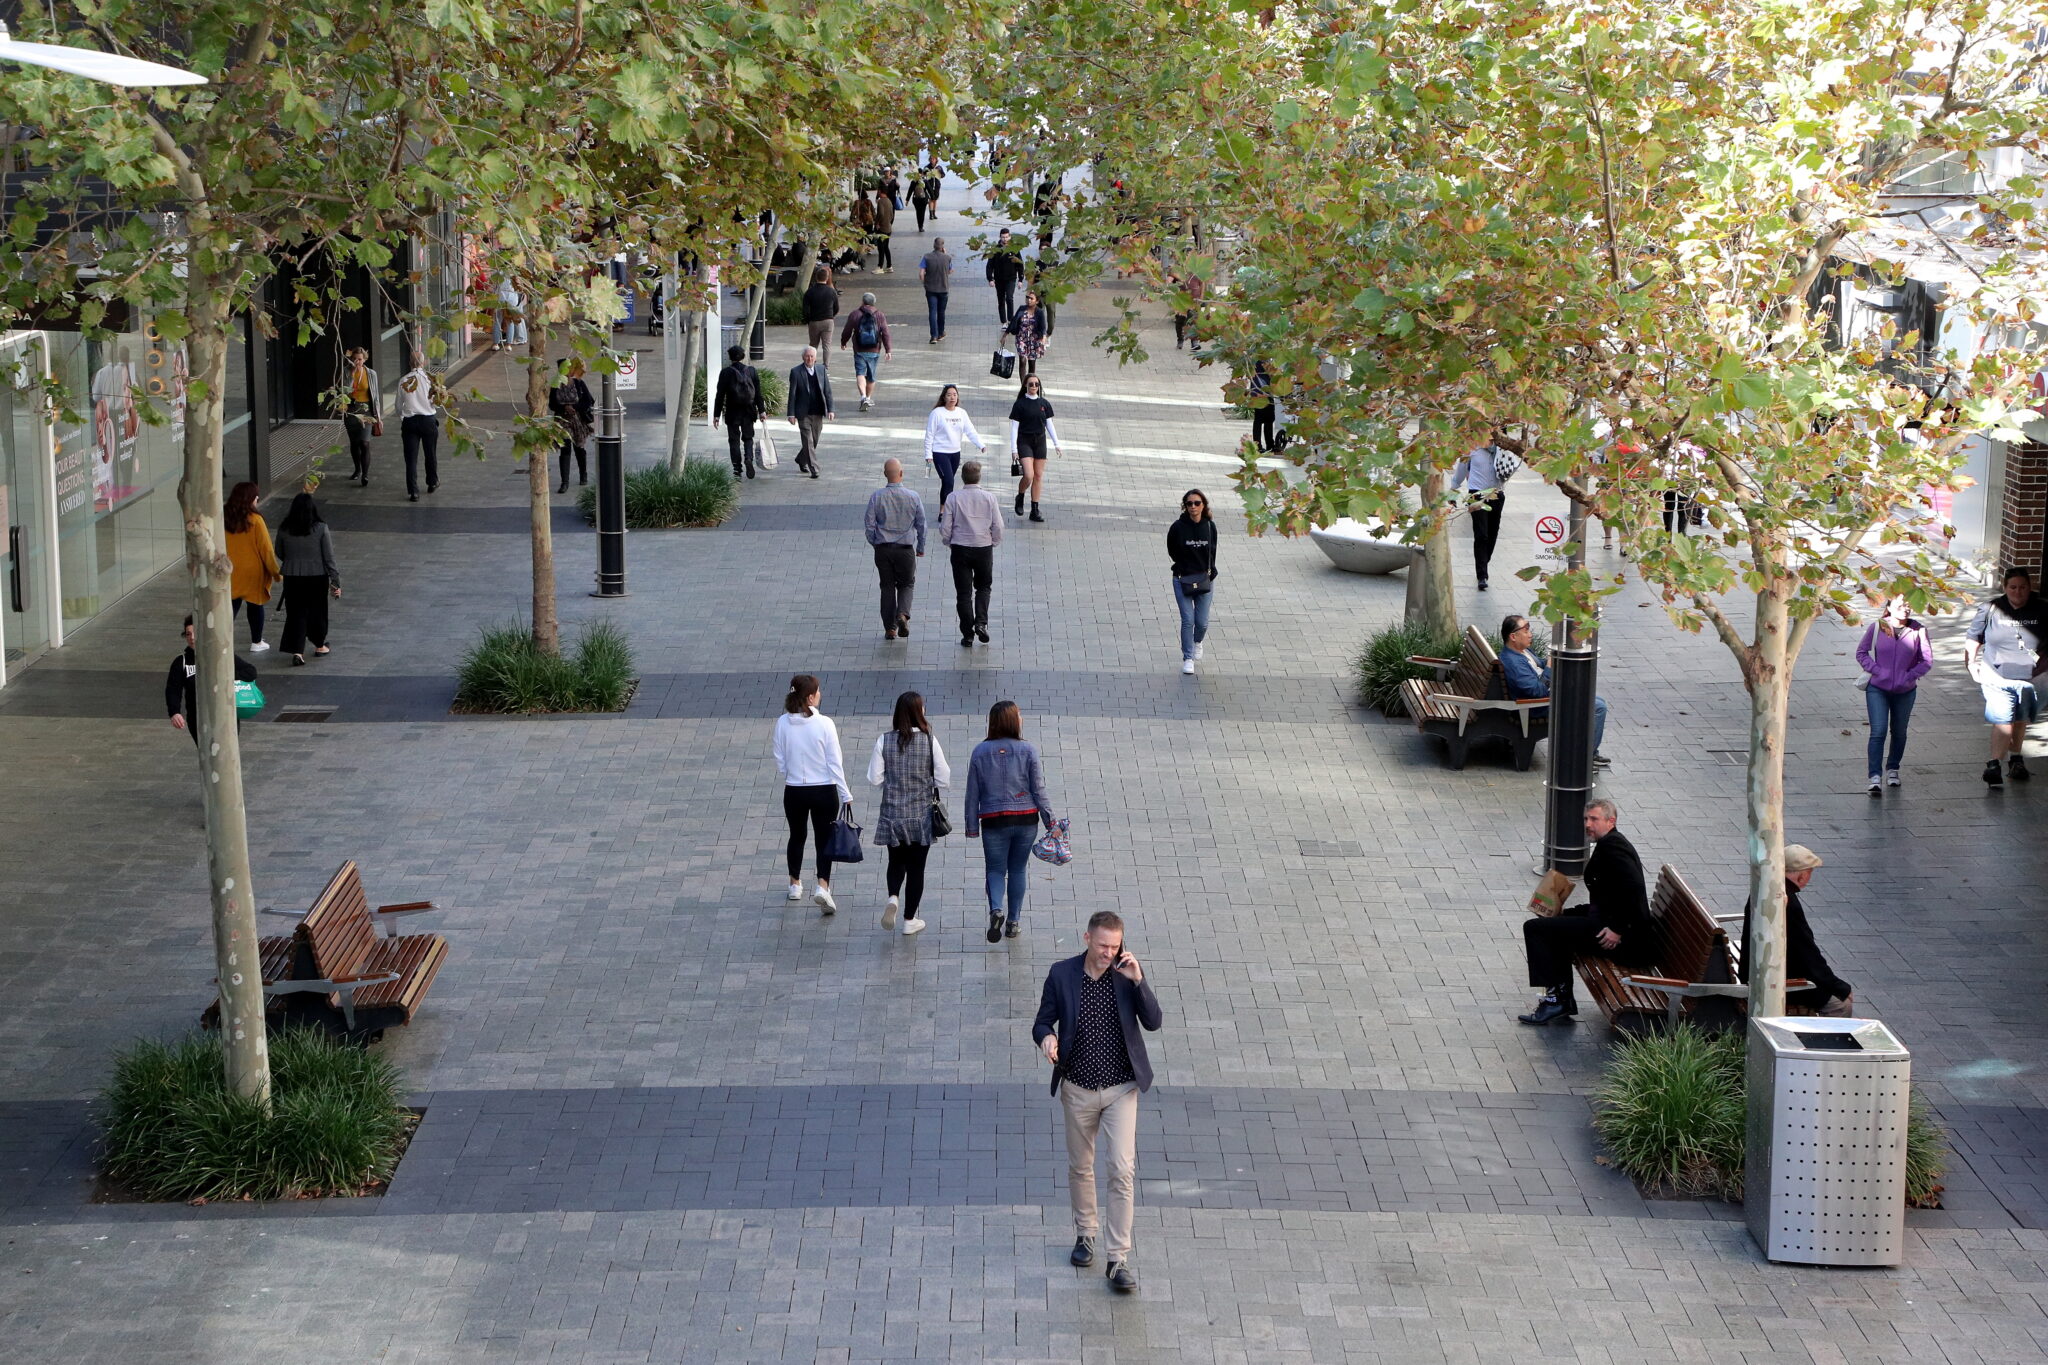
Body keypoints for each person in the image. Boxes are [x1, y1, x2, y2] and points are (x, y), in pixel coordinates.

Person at [1032, 910, 1162, 1295]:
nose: (1109, 953)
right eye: (1103, 945)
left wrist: (1138, 980)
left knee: (1122, 1169)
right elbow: (1042, 1022)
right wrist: (1047, 1039)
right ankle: (1086, 1233)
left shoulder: (1126, 974)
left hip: (1122, 1088)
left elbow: (1154, 1021)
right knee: (1081, 1166)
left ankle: (1118, 1258)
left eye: (1115, 946)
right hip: (1078, 1088)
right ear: (1087, 938)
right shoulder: (1062, 974)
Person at [1517, 798, 1650, 1024]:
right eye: (1586, 819)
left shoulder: (1615, 848)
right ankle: (1560, 1000)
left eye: (1594, 819)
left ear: (1611, 821)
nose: (1588, 824)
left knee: (1536, 929)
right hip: (1608, 923)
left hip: (1624, 941)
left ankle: (1556, 1001)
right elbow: (1607, 900)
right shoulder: (1609, 844)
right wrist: (1569, 913)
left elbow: (1634, 890)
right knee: (1555, 927)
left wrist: (1617, 929)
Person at [965, 700, 1057, 941]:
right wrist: (1051, 822)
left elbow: (972, 792)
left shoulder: (979, 752)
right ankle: (1013, 921)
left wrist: (972, 826)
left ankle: (996, 909)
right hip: (1026, 819)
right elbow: (1039, 789)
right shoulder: (1028, 750)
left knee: (995, 870)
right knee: (1018, 869)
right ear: (1013, 721)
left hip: (993, 821)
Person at [869, 691, 951, 938]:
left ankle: (893, 896)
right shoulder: (929, 740)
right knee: (917, 868)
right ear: (919, 712)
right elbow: (943, 777)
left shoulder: (884, 740)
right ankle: (909, 919)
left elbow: (875, 778)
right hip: (920, 815)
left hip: (892, 814)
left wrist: (893, 782)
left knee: (895, 861)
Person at [1739, 845, 1854, 1017]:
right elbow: (1807, 953)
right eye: (1810, 872)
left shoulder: (1767, 887)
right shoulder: (1787, 902)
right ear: (1801, 875)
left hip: (1755, 967)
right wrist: (1838, 986)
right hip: (1771, 979)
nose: (1809, 878)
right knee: (1841, 1005)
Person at [772, 674, 851, 914]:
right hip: (824, 790)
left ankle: (794, 884)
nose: (820, 694)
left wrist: (790, 773)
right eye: (817, 691)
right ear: (809, 697)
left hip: (794, 789)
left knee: (797, 836)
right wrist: (845, 792)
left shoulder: (782, 723)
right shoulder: (825, 724)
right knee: (823, 839)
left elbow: (779, 758)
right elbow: (834, 762)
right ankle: (822, 886)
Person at [1964, 566, 2045, 786]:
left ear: (2030, 587)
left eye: (2023, 587)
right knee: (2003, 718)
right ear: (2005, 587)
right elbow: (1973, 638)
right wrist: (1971, 663)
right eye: (2013, 587)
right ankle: (1994, 765)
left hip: (2032, 678)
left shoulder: (2042, 609)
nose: (2018, 592)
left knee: (2021, 718)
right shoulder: (1991, 609)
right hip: (1996, 675)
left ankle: (2016, 758)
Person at [1499, 615, 1611, 767]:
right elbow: (1537, 691)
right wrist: (1550, 667)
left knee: (1597, 701)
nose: (1530, 634)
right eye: (1526, 630)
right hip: (1538, 706)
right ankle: (1586, 758)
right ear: (1513, 636)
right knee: (1598, 707)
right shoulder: (1514, 663)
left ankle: (1587, 752)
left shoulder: (1521, 652)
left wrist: (1553, 659)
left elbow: (1538, 666)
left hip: (1546, 697)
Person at [1857, 597, 1933, 794]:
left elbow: (1926, 661)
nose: (1905, 609)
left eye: (1908, 605)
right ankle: (1874, 776)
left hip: (1905, 690)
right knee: (1878, 731)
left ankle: (1893, 769)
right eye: (1900, 605)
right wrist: (1877, 671)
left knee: (1899, 731)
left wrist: (1909, 676)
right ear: (1889, 607)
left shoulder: (1918, 630)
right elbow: (1861, 652)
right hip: (1877, 688)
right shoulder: (1877, 627)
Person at [165, 614, 257, 744]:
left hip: (225, 715)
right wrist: (174, 712)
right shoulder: (181, 662)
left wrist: (223, 676)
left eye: (195, 633)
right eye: (188, 634)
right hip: (198, 717)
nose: (192, 638)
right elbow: (173, 689)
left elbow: (251, 672)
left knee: (225, 750)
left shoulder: (221, 654)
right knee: (206, 750)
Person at [272, 493, 341, 666]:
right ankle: (319, 645)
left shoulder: (284, 528)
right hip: (317, 577)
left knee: (295, 613)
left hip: (292, 577)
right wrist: (335, 580)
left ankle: (297, 651)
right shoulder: (321, 528)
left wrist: (292, 561)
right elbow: (329, 557)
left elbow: (279, 551)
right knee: (318, 611)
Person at [941, 459, 1002, 647]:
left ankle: (967, 634)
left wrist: (949, 542)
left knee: (963, 593)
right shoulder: (989, 498)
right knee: (983, 587)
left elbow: (945, 526)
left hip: (960, 547)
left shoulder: (953, 498)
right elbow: (998, 525)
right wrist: (993, 542)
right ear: (979, 477)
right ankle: (981, 623)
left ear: (962, 477)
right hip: (983, 547)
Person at [865, 458, 926, 640]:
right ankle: (903, 614)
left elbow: (869, 524)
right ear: (901, 473)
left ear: (885, 474)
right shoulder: (913, 497)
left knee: (887, 586)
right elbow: (921, 524)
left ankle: (890, 628)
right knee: (907, 583)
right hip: (905, 549)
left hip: (883, 549)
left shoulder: (876, 496)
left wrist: (876, 543)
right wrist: (920, 546)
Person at [1448, 437, 1512, 591]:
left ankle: (1483, 561)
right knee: (1481, 534)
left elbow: (1513, 466)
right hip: (1477, 495)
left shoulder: (1501, 448)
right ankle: (1482, 575)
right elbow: (1461, 472)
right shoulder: (1471, 448)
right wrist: (1453, 493)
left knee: (1492, 533)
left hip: (1497, 494)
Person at [223, 481, 280, 654]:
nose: (257, 500)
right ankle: (256, 641)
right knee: (255, 606)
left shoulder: (223, 518)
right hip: (253, 572)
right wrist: (276, 573)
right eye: (256, 497)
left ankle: (221, 642)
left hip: (229, 570)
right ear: (250, 499)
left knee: (230, 606)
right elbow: (266, 550)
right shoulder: (255, 520)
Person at [1168, 489, 1218, 675]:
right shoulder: (1177, 527)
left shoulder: (1210, 526)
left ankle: (1198, 641)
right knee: (1188, 620)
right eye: (1189, 503)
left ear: (1203, 505)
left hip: (1205, 579)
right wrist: (1184, 566)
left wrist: (1208, 571)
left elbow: (1212, 551)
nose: (1193, 507)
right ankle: (1188, 658)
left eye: (1197, 503)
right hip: (1183, 578)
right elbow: (1172, 550)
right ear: (1185, 506)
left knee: (1202, 622)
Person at [1008, 374, 1062, 522]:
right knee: (1029, 475)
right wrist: (1014, 450)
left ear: (1039, 386)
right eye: (1031, 384)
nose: (1033, 387)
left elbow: (1049, 425)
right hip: (1024, 441)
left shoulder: (1044, 403)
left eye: (1036, 384)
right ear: (1025, 385)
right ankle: (1020, 496)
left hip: (1040, 441)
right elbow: (1014, 428)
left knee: (1038, 475)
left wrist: (1056, 444)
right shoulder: (1020, 404)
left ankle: (1035, 510)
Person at [924, 383, 988, 505]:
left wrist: (981, 444)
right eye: (949, 395)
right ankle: (944, 510)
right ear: (944, 397)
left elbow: (970, 431)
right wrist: (928, 455)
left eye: (954, 394)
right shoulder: (937, 413)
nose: (952, 397)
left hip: (955, 453)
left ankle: (945, 509)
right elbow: (929, 435)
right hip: (940, 453)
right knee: (948, 481)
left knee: (947, 482)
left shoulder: (961, 413)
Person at [712, 344, 767, 479]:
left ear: (730, 357)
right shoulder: (752, 371)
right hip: (749, 410)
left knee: (734, 440)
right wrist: (762, 411)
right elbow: (758, 393)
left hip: (732, 411)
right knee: (748, 438)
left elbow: (720, 395)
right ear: (743, 356)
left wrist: (716, 415)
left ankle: (737, 468)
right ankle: (748, 458)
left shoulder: (725, 373)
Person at [395, 351, 440, 501]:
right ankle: (432, 482)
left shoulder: (404, 380)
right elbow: (436, 402)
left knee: (411, 458)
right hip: (428, 420)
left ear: (409, 363)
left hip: (410, 422)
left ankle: (413, 491)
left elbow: (398, 406)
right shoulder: (430, 380)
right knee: (430, 453)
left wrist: (403, 417)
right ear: (423, 362)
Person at [785, 345, 835, 478]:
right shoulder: (796, 372)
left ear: (815, 358)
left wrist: (830, 409)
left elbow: (828, 391)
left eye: (812, 356)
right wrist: (791, 414)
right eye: (807, 356)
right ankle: (814, 469)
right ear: (803, 357)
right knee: (808, 441)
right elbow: (792, 394)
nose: (809, 359)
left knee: (814, 440)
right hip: (803, 413)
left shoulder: (821, 369)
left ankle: (801, 459)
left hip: (818, 411)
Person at [839, 292, 892, 412]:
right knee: (871, 376)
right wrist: (888, 350)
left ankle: (863, 397)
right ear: (874, 302)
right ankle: (868, 398)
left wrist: (843, 342)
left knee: (860, 373)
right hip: (874, 349)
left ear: (863, 302)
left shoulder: (855, 314)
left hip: (859, 349)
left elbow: (847, 330)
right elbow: (885, 333)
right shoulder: (880, 315)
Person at [548, 358, 594, 493]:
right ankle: (565, 482)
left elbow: (588, 401)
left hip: (578, 421)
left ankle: (583, 474)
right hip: (562, 421)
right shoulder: (555, 385)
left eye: (569, 367)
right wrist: (564, 408)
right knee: (565, 448)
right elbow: (552, 404)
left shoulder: (579, 383)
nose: (568, 371)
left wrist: (574, 407)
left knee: (579, 448)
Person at [339, 346, 380, 485]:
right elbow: (345, 390)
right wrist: (352, 374)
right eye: (355, 359)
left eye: (360, 359)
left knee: (364, 443)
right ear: (351, 360)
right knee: (354, 442)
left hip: (366, 409)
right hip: (351, 409)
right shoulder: (346, 372)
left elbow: (376, 396)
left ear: (364, 359)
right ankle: (357, 469)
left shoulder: (371, 374)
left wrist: (378, 417)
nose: (358, 362)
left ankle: (365, 474)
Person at [1003, 288, 1053, 383]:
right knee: (1022, 360)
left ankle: (1030, 382)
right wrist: (1005, 334)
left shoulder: (1039, 312)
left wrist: (1044, 337)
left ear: (1037, 301)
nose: (1029, 300)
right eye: (1027, 298)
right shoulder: (1022, 309)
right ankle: (1023, 385)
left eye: (1031, 298)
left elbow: (1043, 326)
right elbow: (1014, 321)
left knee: (1031, 363)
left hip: (1034, 341)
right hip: (1021, 338)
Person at [918, 238, 954, 343]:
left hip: (930, 289)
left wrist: (924, 283)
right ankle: (941, 333)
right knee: (941, 312)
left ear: (934, 245)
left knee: (932, 312)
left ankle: (933, 336)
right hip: (943, 289)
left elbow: (921, 274)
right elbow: (950, 271)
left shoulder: (927, 257)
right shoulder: (947, 258)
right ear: (942, 247)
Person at [987, 228, 1025, 325]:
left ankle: (1010, 319)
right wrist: (990, 279)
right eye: (1003, 237)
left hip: (1011, 278)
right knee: (1001, 300)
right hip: (999, 279)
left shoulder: (1014, 249)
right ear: (1000, 237)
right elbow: (990, 265)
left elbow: (1020, 264)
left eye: (1007, 237)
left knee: (1009, 297)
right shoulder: (995, 249)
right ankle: (1003, 322)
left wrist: (1020, 279)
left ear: (1010, 237)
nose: (1005, 239)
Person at [802, 267, 839, 361]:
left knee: (813, 344)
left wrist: (808, 320)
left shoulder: (810, 292)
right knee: (827, 345)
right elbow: (836, 308)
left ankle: (811, 363)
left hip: (814, 321)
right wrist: (831, 316)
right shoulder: (832, 291)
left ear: (816, 277)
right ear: (827, 278)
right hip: (828, 321)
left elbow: (805, 309)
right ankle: (826, 366)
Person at [1249, 361, 1279, 453]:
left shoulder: (1257, 360)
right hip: (1262, 392)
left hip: (1259, 391)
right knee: (1263, 420)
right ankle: (1264, 445)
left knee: (1265, 420)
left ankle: (1264, 445)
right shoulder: (1261, 361)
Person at [491, 278, 527, 351]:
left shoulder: (497, 273)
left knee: (497, 321)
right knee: (510, 322)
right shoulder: (513, 274)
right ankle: (508, 345)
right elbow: (519, 287)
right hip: (512, 299)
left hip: (500, 298)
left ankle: (495, 344)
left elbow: (494, 286)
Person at [870, 188, 896, 274]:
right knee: (886, 247)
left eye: (878, 191)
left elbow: (880, 213)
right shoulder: (889, 201)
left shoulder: (880, 201)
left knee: (881, 248)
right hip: (888, 227)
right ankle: (889, 266)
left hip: (882, 228)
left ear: (881, 192)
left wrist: (877, 222)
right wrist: (888, 222)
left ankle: (880, 266)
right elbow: (892, 215)